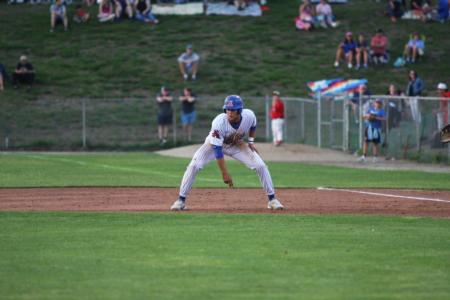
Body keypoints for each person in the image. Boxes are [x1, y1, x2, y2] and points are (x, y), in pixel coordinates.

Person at [170, 95, 284, 211]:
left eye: (233, 109)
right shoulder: (219, 122)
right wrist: (224, 173)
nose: (229, 112)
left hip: (236, 144)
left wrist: (250, 142)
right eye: (227, 109)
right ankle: (180, 201)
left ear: (239, 110)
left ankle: (272, 200)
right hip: (213, 145)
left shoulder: (249, 115)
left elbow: (253, 124)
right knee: (194, 165)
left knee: (260, 165)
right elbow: (218, 151)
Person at [359, 99, 386, 163]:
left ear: (381, 104)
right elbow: (363, 116)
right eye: (376, 103)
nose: (377, 104)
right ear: (374, 103)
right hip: (369, 127)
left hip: (376, 128)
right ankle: (364, 156)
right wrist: (368, 116)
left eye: (379, 103)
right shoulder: (371, 109)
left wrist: (376, 117)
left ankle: (375, 157)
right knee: (366, 142)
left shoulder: (382, 111)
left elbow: (384, 118)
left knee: (375, 143)